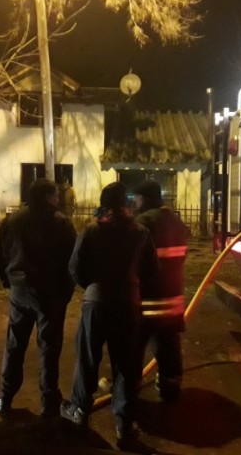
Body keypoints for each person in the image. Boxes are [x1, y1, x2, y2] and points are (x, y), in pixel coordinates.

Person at [60, 182, 158, 448]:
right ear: (126, 203)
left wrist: (93, 286)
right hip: (128, 304)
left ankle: (79, 410)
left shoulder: (91, 230)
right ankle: (124, 426)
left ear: (104, 204)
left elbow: (75, 267)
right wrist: (132, 286)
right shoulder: (141, 233)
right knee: (126, 365)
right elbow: (151, 269)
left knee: (88, 358)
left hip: (96, 303)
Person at [0, 178, 76, 418]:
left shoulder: (12, 221)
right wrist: (65, 293)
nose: (58, 199)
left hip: (20, 291)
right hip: (51, 294)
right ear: (48, 197)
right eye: (55, 195)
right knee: (49, 348)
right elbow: (73, 262)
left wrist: (9, 281)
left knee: (14, 345)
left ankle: (5, 397)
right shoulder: (61, 223)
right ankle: (49, 402)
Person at [133, 180, 188, 401]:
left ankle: (129, 386)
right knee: (168, 342)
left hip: (147, 298)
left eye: (137, 199)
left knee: (135, 344)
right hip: (172, 297)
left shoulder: (143, 222)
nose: (135, 203)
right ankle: (170, 385)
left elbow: (134, 260)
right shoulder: (175, 221)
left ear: (145, 199)